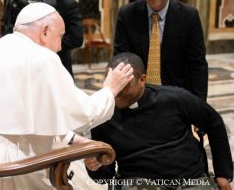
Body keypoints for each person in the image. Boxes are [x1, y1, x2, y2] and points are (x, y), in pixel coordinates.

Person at [0, 3, 134, 189]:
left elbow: (23, 110)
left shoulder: (1, 46)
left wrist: (70, 138)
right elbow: (83, 113)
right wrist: (110, 89)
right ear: (45, 31)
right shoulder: (42, 58)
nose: (60, 47)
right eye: (60, 37)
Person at [85, 52, 233, 190]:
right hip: (139, 182)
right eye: (113, 84)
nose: (117, 92)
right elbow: (105, 176)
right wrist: (95, 166)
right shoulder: (102, 113)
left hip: (190, 178)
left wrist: (223, 173)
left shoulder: (175, 98)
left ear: (142, 80)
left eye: (125, 85)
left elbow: (214, 123)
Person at [114, 0, 208, 101]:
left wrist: (199, 107)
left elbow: (197, 66)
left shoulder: (189, 16)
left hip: (176, 99)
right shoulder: (127, 14)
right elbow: (120, 61)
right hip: (137, 98)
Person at [1, 0, 84, 77]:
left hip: (54, 72)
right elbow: (6, 28)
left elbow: (76, 39)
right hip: (21, 69)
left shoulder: (66, 3)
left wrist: (40, 44)